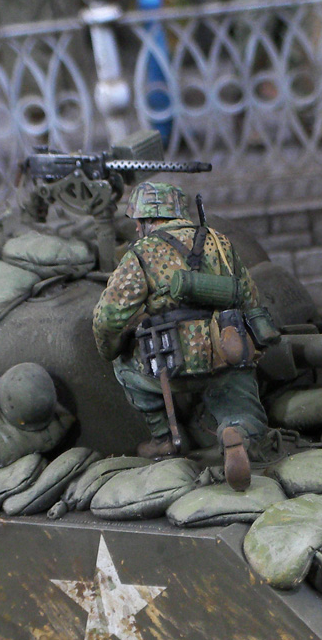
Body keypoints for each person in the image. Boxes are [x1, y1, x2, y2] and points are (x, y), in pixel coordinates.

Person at [92, 180, 270, 491]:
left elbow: (108, 319)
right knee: (238, 396)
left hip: (169, 363)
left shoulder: (142, 253)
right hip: (224, 352)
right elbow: (249, 297)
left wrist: (110, 350)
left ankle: (164, 438)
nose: (137, 228)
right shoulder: (219, 242)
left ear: (150, 218)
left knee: (124, 366)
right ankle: (237, 431)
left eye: (138, 221)